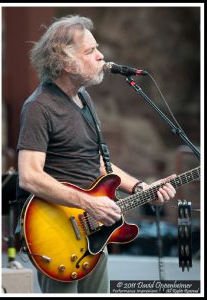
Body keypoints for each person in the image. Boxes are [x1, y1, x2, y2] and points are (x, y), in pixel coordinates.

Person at [16, 15, 176, 294]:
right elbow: (29, 176)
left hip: (93, 230)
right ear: (65, 62)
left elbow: (99, 163)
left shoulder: (84, 99)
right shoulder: (39, 107)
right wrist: (88, 203)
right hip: (57, 231)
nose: (101, 56)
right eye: (90, 51)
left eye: (97, 48)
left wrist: (140, 187)